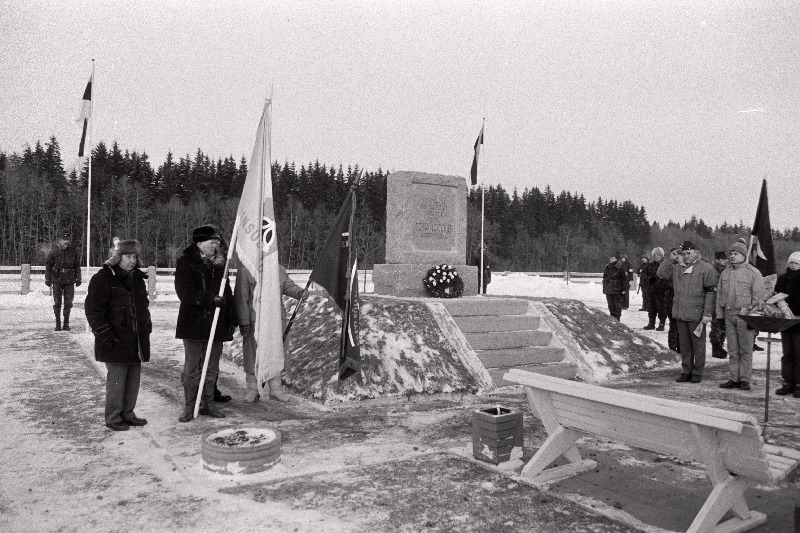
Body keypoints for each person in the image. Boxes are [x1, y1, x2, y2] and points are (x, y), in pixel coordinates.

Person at [84, 239, 151, 431]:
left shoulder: (137, 278)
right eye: (128, 256)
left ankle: (128, 414)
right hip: (114, 339)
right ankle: (113, 417)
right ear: (117, 257)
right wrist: (105, 334)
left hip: (136, 338)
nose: (132, 260)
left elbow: (143, 305)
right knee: (117, 381)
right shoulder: (103, 278)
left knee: (133, 379)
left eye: (135, 256)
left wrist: (146, 324)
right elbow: (94, 310)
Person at [174, 225, 238, 422]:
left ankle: (208, 403)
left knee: (211, 368)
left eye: (217, 242)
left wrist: (231, 319)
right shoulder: (186, 262)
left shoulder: (220, 265)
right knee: (192, 368)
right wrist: (210, 299)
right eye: (212, 242)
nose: (216, 245)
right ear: (199, 243)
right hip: (193, 324)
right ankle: (189, 405)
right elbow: (184, 293)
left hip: (215, 324)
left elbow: (226, 293)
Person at [234, 264, 305, 403]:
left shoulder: (278, 268)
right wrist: (244, 321)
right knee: (253, 355)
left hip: (276, 320)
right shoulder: (245, 270)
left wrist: (299, 292)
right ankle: (253, 390)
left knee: (276, 353)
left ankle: (275, 389)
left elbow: (287, 285)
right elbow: (241, 297)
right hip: (255, 321)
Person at [658, 241, 717, 383]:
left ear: (696, 252)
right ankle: (686, 370)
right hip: (680, 313)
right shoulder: (678, 268)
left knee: (698, 345)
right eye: (683, 254)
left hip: (697, 314)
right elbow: (661, 273)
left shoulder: (706, 268)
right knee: (684, 345)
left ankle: (697, 372)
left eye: (689, 253)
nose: (686, 256)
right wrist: (670, 259)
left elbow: (710, 293)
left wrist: (707, 314)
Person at [715, 240, 765, 391]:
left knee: (745, 350)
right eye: (731, 253)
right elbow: (719, 296)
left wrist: (753, 318)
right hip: (729, 314)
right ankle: (733, 377)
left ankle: (744, 379)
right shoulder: (725, 272)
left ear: (744, 256)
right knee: (732, 349)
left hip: (745, 317)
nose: (732, 256)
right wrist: (720, 316)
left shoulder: (753, 273)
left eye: (736, 253)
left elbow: (758, 298)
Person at [774, 251, 800, 398]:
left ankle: (798, 384)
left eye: (796, 263)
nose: (793, 265)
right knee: (787, 354)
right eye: (791, 262)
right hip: (785, 322)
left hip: (798, 322)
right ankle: (788, 382)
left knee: (798, 354)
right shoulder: (782, 278)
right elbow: (776, 295)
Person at [45, 230, 82, 331]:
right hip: (57, 279)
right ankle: (58, 323)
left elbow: (77, 266)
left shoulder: (73, 251)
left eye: (67, 239)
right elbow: (48, 266)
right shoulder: (54, 251)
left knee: (68, 303)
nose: (66, 241)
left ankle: (66, 323)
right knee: (57, 303)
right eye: (64, 239)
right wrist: (47, 278)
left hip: (70, 280)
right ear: (60, 240)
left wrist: (79, 278)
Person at [642, 247, 668, 331]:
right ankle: (651, 323)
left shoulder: (665, 264)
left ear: (662, 255)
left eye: (659, 255)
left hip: (661, 290)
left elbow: (666, 276)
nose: (657, 256)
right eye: (655, 254)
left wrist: (656, 279)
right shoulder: (649, 265)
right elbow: (644, 274)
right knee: (651, 307)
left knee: (661, 307)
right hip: (650, 289)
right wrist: (648, 279)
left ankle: (661, 324)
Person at [710, 251, 729, 359]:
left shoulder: (726, 271)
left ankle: (720, 344)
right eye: (723, 259)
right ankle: (716, 347)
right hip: (715, 301)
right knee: (716, 325)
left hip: (724, 301)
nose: (725, 261)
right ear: (717, 259)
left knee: (723, 325)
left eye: (725, 259)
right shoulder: (713, 271)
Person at [664, 247, 682, 351]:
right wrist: (670, 260)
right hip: (672, 300)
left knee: (682, 327)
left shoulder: (687, 266)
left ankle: (681, 347)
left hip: (684, 301)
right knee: (674, 325)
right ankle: (672, 347)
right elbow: (661, 273)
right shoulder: (671, 267)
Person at [602, 252, 628, 321]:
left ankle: (617, 318)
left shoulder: (620, 266)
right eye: (610, 258)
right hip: (609, 289)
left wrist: (624, 288)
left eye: (613, 258)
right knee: (610, 305)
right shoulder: (607, 267)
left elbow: (624, 279)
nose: (611, 259)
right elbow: (604, 278)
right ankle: (612, 317)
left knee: (617, 305)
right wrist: (605, 288)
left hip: (617, 288)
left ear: (616, 259)